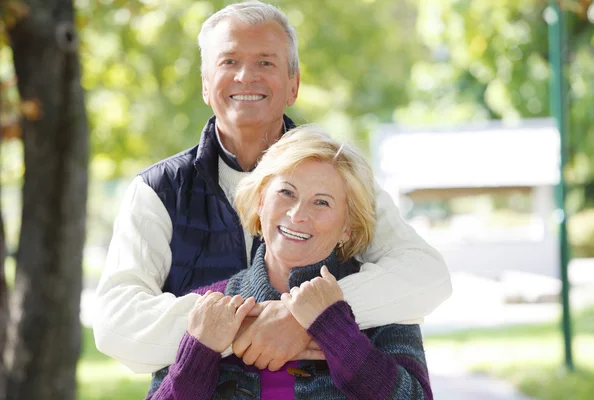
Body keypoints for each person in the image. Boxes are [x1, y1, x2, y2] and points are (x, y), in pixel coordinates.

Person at [93, 0, 450, 383]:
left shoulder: (342, 178)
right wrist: (246, 328)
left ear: (293, 84)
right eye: (229, 62)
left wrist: (308, 318)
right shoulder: (157, 192)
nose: (247, 76)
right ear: (205, 84)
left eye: (266, 62)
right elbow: (116, 325)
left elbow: (427, 277)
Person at [149, 125, 433, 400]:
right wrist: (198, 355)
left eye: (321, 202)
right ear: (260, 201)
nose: (298, 215)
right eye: (286, 193)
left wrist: (334, 328)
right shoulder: (207, 307)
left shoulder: (387, 302)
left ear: (348, 226)